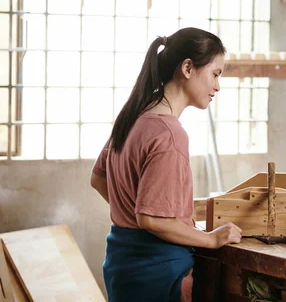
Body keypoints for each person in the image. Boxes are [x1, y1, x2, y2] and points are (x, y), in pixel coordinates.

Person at [90, 27, 242, 302]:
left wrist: (130, 214)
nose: (217, 86)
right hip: (158, 274)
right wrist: (212, 239)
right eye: (215, 74)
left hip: (122, 266)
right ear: (187, 68)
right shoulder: (169, 135)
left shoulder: (133, 116)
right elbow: (151, 219)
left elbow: (98, 179)